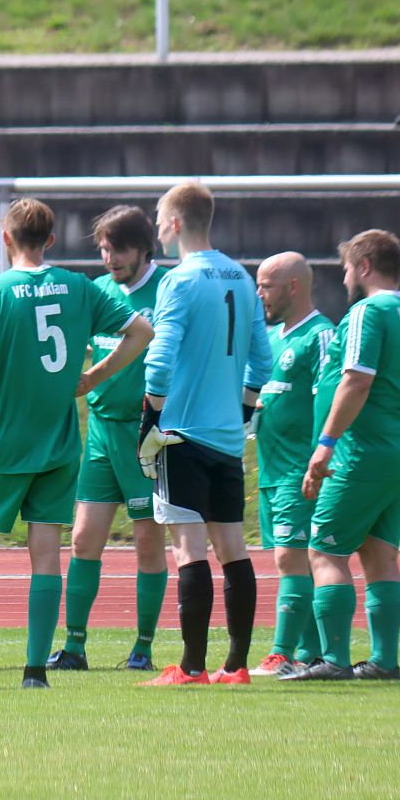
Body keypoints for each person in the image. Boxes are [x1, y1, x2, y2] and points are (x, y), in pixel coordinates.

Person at [0, 198, 153, 691]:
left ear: (6, 239)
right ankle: (35, 672)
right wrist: (93, 376)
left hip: (2, 441)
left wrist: (7, 372)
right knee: (46, 553)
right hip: (60, 440)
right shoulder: (80, 287)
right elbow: (141, 331)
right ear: (50, 239)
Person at [282, 230, 400, 682]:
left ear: (364, 266)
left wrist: (325, 445)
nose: (346, 277)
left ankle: (332, 659)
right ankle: (384, 660)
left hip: (361, 454)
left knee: (324, 551)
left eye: (348, 268)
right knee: (379, 555)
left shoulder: (367, 311)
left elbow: (355, 380)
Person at [138, 181, 271, 687]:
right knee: (233, 547)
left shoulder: (179, 279)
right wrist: (243, 409)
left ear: (173, 223)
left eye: (158, 218)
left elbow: (161, 355)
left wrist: (151, 418)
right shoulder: (239, 274)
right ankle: (235, 666)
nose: (156, 227)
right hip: (226, 438)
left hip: (183, 433)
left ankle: (191, 667)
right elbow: (263, 357)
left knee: (188, 548)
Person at [47, 206, 170, 673]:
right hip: (99, 431)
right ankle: (74, 647)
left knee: (147, 541)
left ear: (144, 248)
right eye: (103, 248)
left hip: (147, 433)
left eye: (118, 248)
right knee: (82, 538)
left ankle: (143, 647)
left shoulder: (166, 290)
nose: (109, 257)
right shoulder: (98, 291)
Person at [250, 252, 334, 677]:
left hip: (298, 469)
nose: (259, 292)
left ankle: (281, 653)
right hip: (270, 468)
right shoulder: (272, 337)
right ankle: (312, 656)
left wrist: (320, 456)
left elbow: (331, 399)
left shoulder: (320, 336)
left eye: (266, 285)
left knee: (290, 558)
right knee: (291, 560)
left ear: (294, 287)